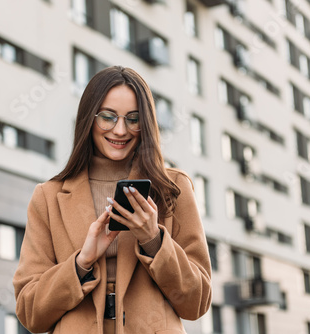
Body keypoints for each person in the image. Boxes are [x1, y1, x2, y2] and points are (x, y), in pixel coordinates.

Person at [13, 66, 212, 334]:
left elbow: (196, 304)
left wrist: (153, 240)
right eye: (107, 117)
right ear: (88, 119)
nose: (120, 130)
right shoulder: (48, 197)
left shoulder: (173, 188)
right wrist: (81, 262)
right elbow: (30, 313)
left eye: (133, 119)